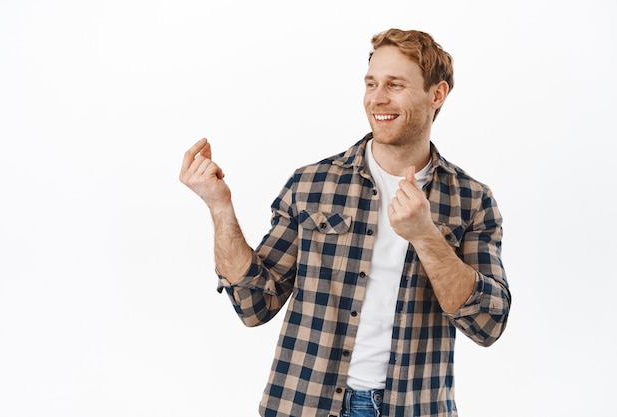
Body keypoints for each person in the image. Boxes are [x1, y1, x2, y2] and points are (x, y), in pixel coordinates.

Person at [179, 28, 511, 417]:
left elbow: (487, 324)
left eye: (395, 84)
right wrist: (220, 207)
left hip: (414, 407)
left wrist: (425, 235)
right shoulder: (312, 184)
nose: (377, 98)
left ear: (436, 94)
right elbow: (255, 304)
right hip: (304, 405)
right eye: (371, 83)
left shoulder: (471, 200)